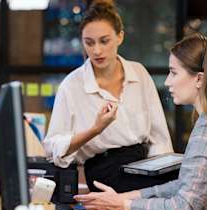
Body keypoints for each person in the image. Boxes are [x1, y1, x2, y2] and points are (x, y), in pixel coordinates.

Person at [74, 33, 207, 210]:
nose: (167, 82)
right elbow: (186, 184)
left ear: (199, 79)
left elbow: (183, 208)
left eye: (174, 73)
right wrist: (127, 197)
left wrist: (123, 206)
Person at [43, 0, 174, 193]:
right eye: (89, 42)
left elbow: (159, 138)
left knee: (184, 179)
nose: (96, 50)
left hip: (143, 165)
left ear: (120, 37)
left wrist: (162, 171)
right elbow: (52, 148)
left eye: (104, 41)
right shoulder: (72, 86)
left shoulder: (139, 73)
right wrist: (95, 129)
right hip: (104, 170)